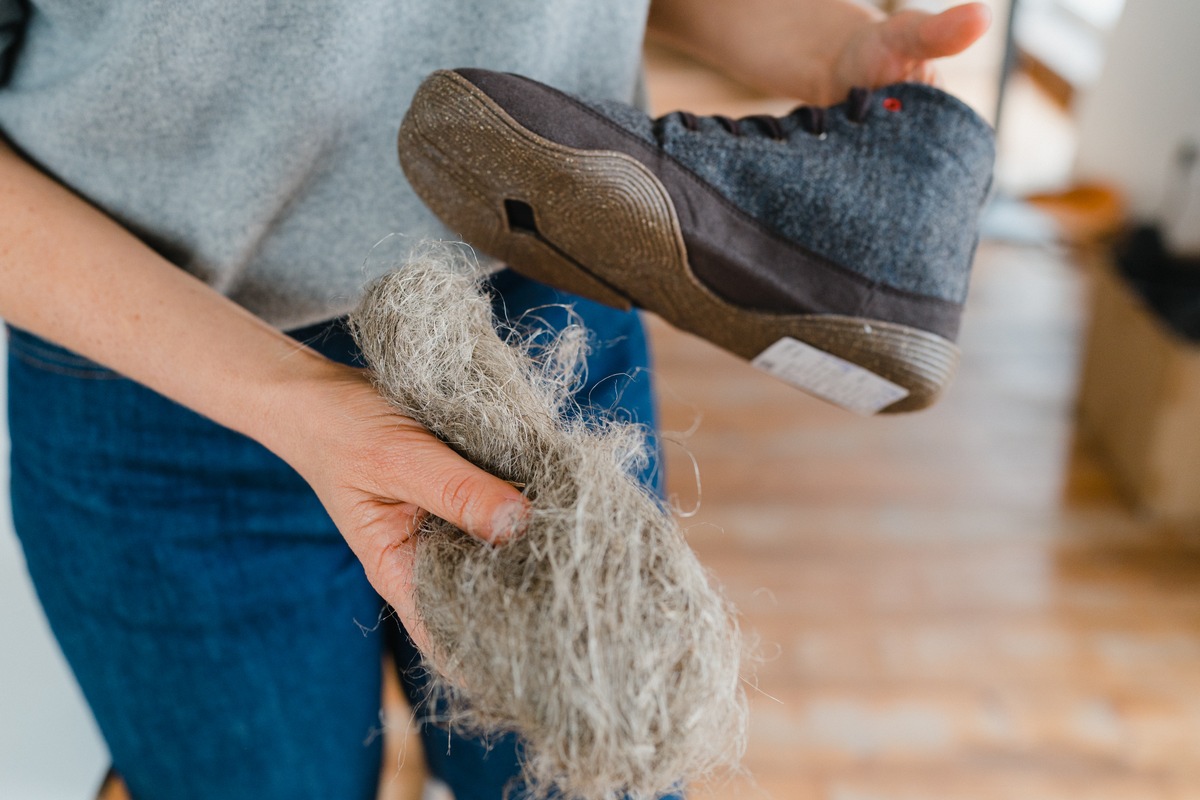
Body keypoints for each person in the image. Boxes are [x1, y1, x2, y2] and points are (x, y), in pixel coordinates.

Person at [0, 1, 990, 798]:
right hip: (165, 378)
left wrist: (837, 42)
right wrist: (301, 401)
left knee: (613, 761)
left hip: (536, 309)